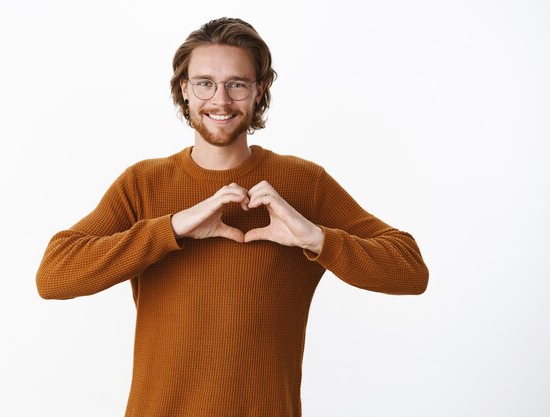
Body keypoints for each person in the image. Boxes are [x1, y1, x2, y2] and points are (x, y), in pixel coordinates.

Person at [36, 17, 429, 417]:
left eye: (237, 84)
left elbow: (411, 270)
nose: (220, 100)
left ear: (259, 91)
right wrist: (171, 228)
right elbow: (53, 274)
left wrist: (314, 238)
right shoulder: (142, 184)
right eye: (205, 83)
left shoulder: (303, 184)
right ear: (184, 90)